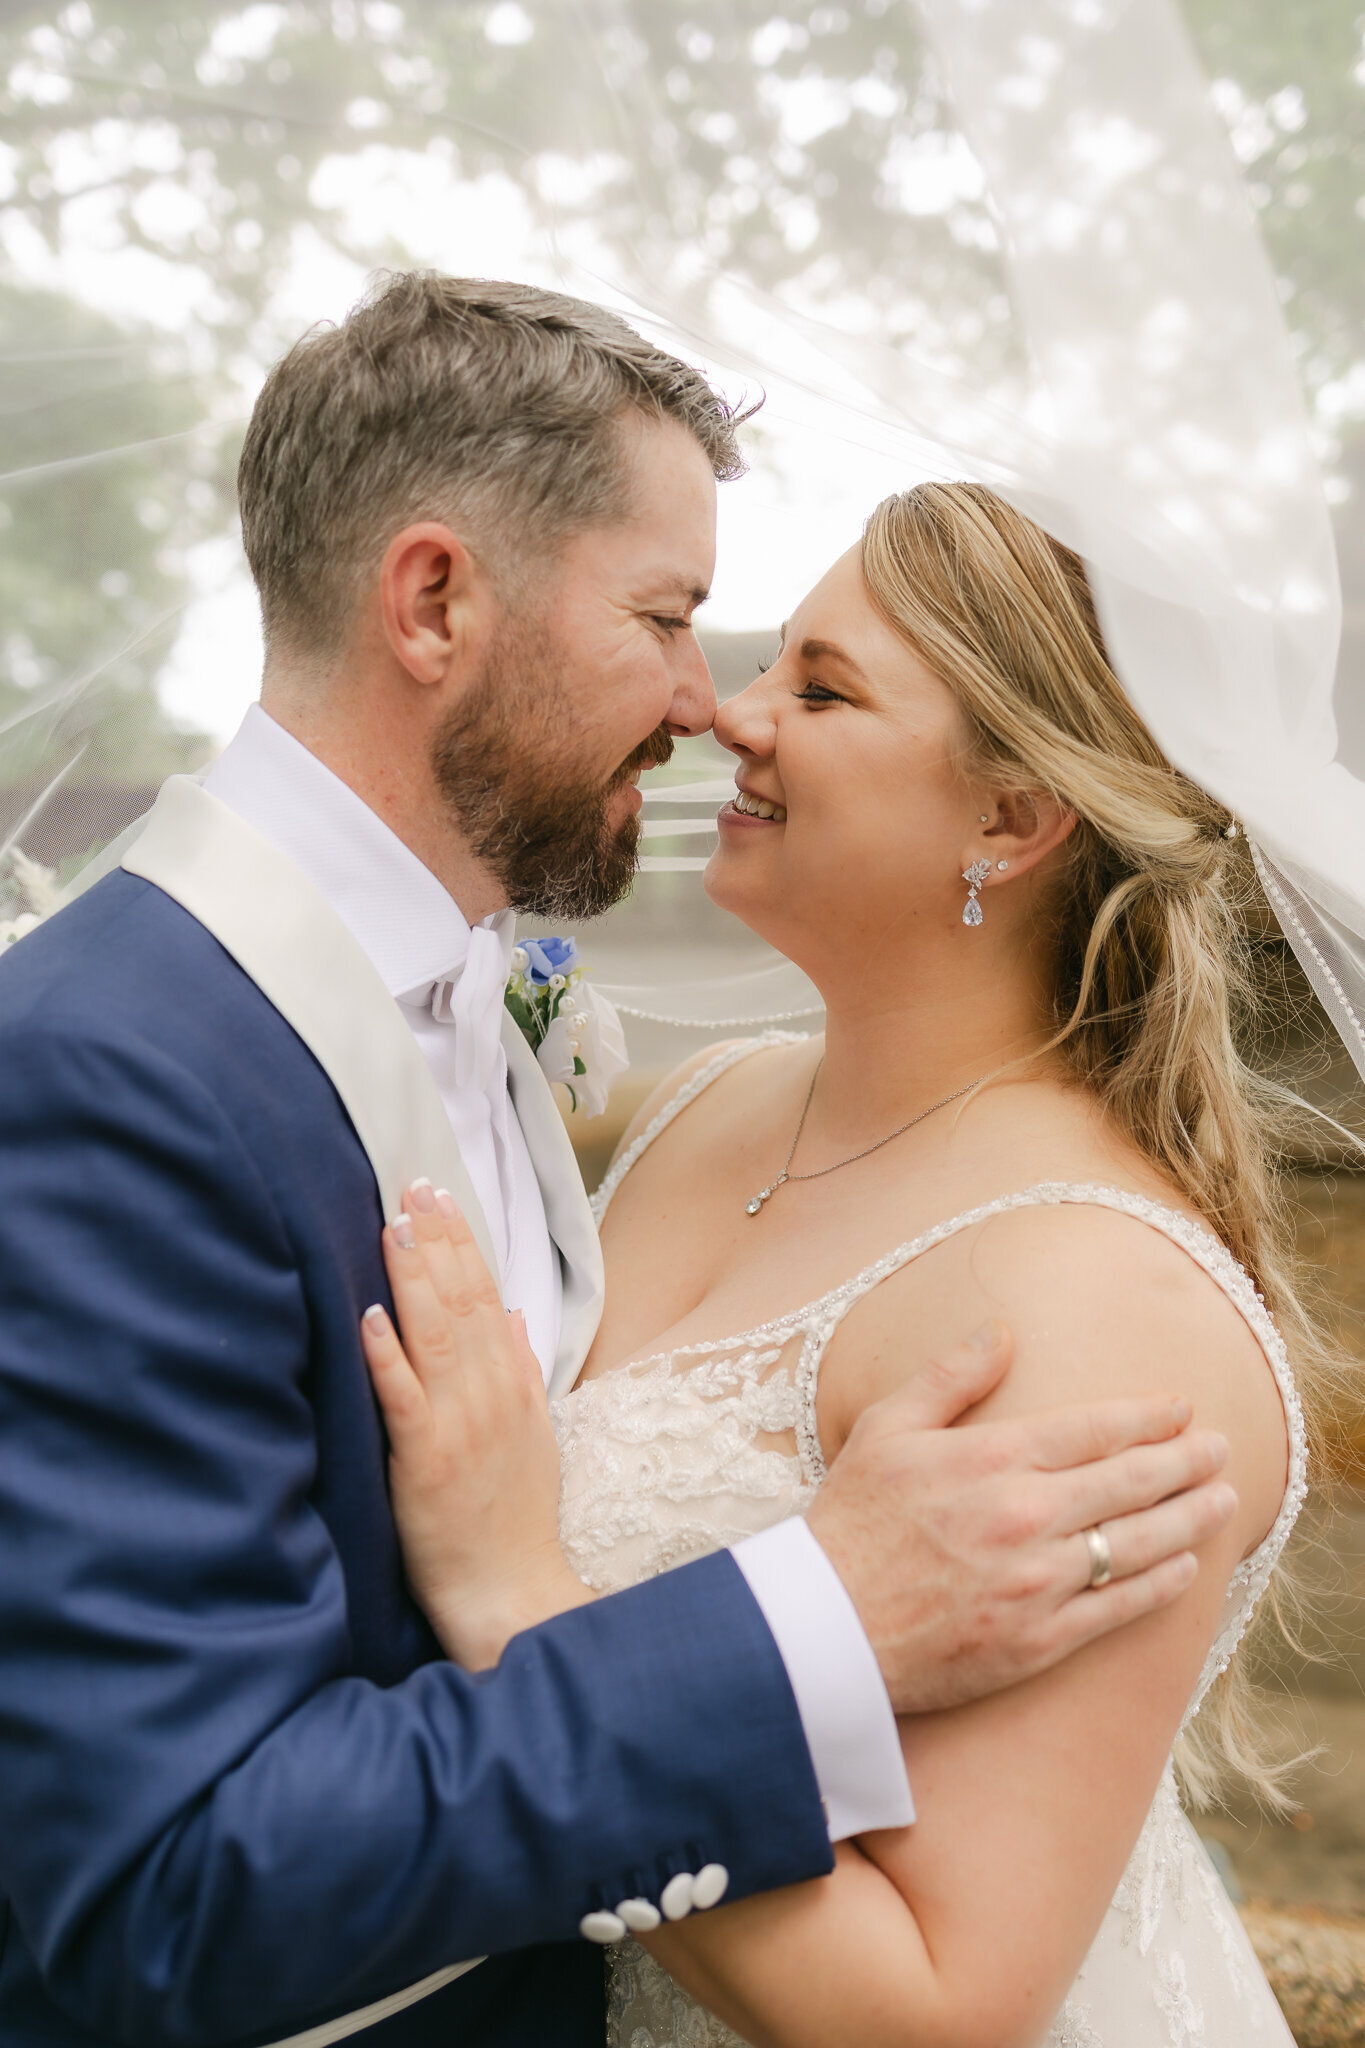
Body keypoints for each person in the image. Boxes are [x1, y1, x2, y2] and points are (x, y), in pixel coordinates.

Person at [0, 278, 1231, 2048]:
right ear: (434, 600)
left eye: (793, 671)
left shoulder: (487, 1012)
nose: (701, 703)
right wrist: (814, 1613)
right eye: (668, 618)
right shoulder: (104, 1070)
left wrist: (527, 1598)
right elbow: (172, 1883)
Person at [360, 481, 1325, 2046]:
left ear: (1009, 820)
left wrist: (517, 1601)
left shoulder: (1098, 1303)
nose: (732, 714)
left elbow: (939, 2008)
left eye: (820, 688)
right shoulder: (708, 1104)